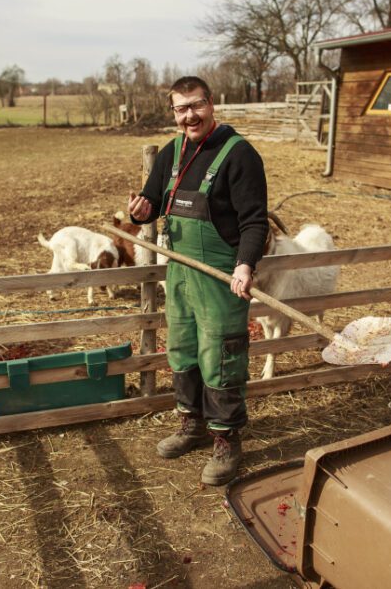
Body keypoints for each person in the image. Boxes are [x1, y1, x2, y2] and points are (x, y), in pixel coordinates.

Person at [128, 76, 268, 486]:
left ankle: (226, 440)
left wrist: (245, 264)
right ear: (173, 112)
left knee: (220, 355)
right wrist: (140, 211)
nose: (189, 115)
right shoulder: (173, 151)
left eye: (196, 105)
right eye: (180, 108)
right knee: (183, 348)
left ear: (212, 104)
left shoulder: (239, 155)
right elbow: (152, 204)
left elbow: (254, 221)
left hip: (221, 275)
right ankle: (192, 425)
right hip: (181, 272)